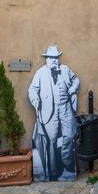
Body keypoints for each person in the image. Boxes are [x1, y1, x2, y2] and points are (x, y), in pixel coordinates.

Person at [28, 45, 80, 181]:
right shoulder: (40, 73)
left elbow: (76, 79)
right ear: (46, 59)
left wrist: (73, 88)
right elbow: (32, 89)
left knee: (69, 136)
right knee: (50, 141)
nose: (54, 60)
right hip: (48, 111)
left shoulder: (65, 69)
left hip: (66, 108)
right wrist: (35, 100)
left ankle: (67, 161)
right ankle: (53, 171)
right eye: (51, 58)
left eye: (56, 58)